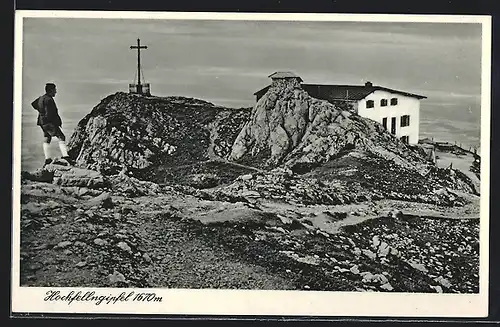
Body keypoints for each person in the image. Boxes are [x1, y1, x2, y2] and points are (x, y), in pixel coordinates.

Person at [31, 83, 73, 166]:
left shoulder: (41, 98)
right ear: (51, 90)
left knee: (47, 138)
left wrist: (41, 112)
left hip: (42, 122)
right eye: (55, 90)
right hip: (49, 122)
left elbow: (34, 104)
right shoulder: (49, 99)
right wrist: (55, 122)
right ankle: (65, 156)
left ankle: (47, 159)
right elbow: (49, 113)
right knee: (61, 137)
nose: (56, 92)